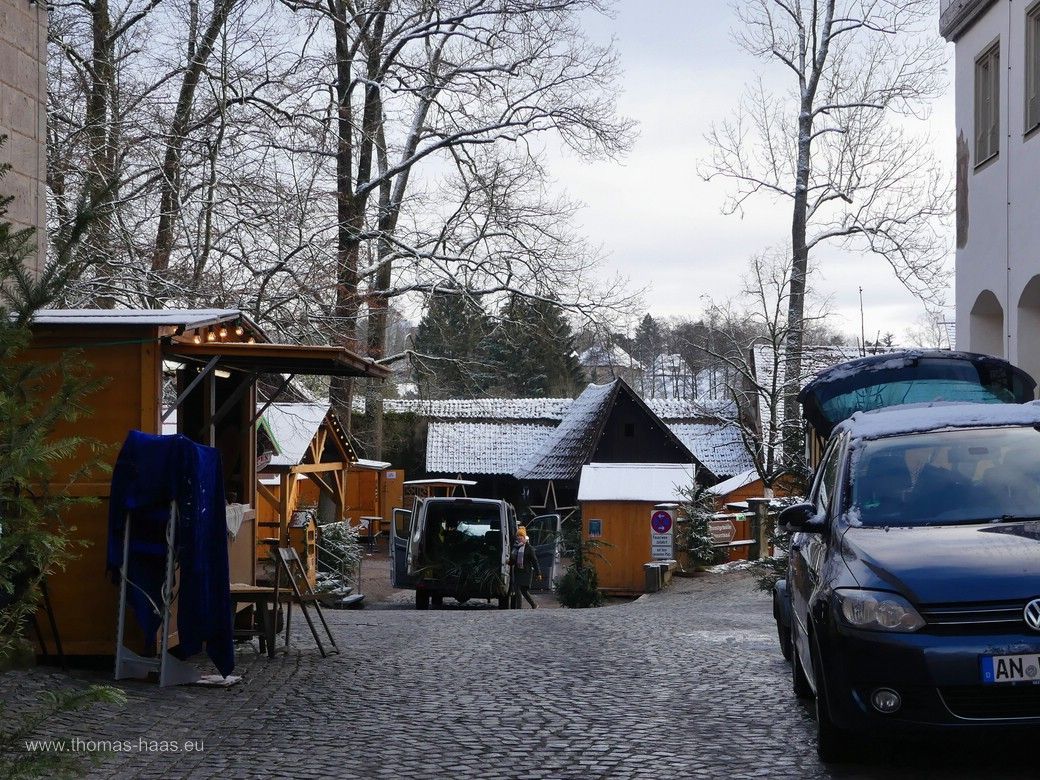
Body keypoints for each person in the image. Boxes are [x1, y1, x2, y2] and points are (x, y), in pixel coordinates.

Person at [509, 526, 541, 609]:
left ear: (524, 537)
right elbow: (513, 560)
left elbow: (535, 561)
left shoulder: (529, 548)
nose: (519, 538)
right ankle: (521, 607)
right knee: (518, 589)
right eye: (518, 536)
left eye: (521, 536)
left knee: (523, 590)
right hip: (517, 571)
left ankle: (532, 605)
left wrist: (538, 573)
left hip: (526, 572)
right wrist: (509, 562)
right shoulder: (515, 547)